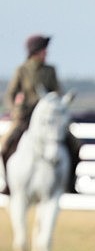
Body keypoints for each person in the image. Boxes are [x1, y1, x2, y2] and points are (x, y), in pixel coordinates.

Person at [1, 35, 79, 192]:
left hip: (48, 118)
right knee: (4, 145)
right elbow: (9, 95)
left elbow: (57, 91)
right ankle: (8, 183)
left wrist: (57, 103)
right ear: (35, 51)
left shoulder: (50, 70)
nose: (46, 53)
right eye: (44, 50)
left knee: (75, 144)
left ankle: (71, 183)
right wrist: (16, 109)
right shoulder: (22, 70)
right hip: (25, 116)